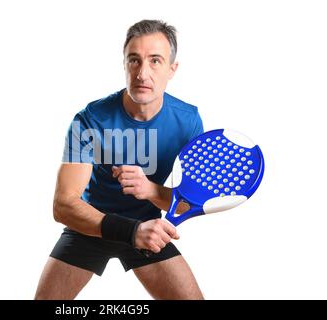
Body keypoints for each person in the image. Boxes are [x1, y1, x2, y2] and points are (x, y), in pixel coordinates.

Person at [35, 20, 204, 300]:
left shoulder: (188, 121)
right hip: (90, 225)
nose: (142, 73)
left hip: (148, 228)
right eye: (134, 60)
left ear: (172, 69)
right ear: (124, 64)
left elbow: (187, 201)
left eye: (155, 61)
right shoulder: (90, 119)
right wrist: (130, 230)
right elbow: (63, 205)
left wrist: (149, 190)